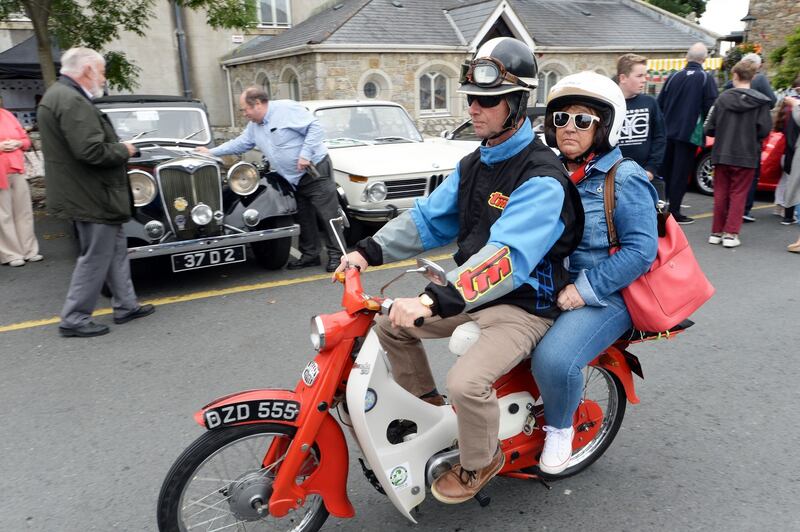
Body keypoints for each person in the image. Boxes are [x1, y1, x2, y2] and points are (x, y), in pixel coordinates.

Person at [334, 37, 584, 503]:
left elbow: (508, 257)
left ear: (516, 104)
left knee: (466, 383)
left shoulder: (542, 178)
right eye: (471, 97)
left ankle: (480, 460)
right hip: (471, 294)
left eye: (488, 100)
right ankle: (430, 414)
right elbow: (429, 218)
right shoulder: (475, 163)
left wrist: (435, 299)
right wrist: (367, 250)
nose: (475, 108)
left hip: (522, 303)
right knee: (390, 325)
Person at [531, 71, 658, 475]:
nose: (569, 128)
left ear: (604, 126)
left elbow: (641, 251)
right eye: (562, 119)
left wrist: (583, 289)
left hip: (606, 293)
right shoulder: (552, 172)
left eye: (582, 120)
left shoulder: (626, 178)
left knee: (554, 360)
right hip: (550, 283)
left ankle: (560, 430)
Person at [38, 47, 154, 337]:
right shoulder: (72, 100)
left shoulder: (59, 96)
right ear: (88, 70)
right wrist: (124, 149)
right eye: (101, 72)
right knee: (95, 256)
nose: (103, 79)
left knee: (115, 250)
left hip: (87, 191)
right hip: (90, 194)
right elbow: (90, 150)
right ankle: (74, 318)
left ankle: (126, 305)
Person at [196, 87, 342, 272]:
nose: (244, 114)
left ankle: (339, 256)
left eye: (244, 109)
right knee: (304, 216)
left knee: (327, 215)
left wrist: (305, 154)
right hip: (292, 178)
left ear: (257, 103)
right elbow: (240, 143)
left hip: (314, 171)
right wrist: (211, 152)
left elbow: (315, 128)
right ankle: (310, 255)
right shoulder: (254, 126)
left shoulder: (286, 109)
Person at [703, 60, 772, 248]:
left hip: (722, 152)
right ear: (753, 77)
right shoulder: (761, 102)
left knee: (721, 193)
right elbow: (765, 129)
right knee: (738, 194)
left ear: (735, 76)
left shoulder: (722, 99)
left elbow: (709, 127)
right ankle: (731, 233)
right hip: (747, 154)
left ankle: (716, 231)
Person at [657, 42, 719, 224]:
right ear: (704, 59)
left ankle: (662, 206)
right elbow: (711, 107)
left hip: (667, 131)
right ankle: (674, 211)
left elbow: (660, 103)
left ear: (687, 57)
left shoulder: (673, 77)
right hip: (689, 133)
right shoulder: (706, 78)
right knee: (681, 173)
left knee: (666, 171)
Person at [722, 53, 777, 223]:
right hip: (750, 136)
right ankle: (744, 209)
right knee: (749, 177)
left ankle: (726, 212)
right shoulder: (760, 80)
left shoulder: (730, 84)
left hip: (729, 136)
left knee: (726, 179)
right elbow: (773, 101)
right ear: (757, 66)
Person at [615, 54, 666, 198]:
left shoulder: (650, 103)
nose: (644, 80)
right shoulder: (609, 105)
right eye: (639, 76)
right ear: (623, 78)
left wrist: (651, 169)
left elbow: (660, 137)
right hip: (614, 181)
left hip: (646, 178)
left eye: (645, 75)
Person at [0, 104, 42, 267]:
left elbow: (25, 140)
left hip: (16, 168)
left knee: (23, 211)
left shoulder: (7, 115)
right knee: (4, 215)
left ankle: (29, 250)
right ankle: (10, 254)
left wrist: (18, 143)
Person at [775, 76, 800, 228]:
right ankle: (789, 215)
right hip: (793, 151)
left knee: (787, 182)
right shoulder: (795, 108)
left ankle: (782, 209)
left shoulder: (787, 105)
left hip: (787, 150)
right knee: (793, 184)